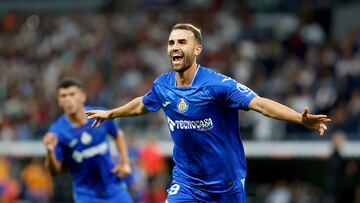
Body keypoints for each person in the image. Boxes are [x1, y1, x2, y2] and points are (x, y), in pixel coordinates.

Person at [85, 23, 331, 203]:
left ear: (197, 49)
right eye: (171, 42)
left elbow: (260, 104)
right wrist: (112, 113)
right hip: (186, 182)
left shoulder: (217, 85)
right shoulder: (163, 84)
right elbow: (142, 104)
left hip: (225, 185)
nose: (175, 47)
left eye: (182, 42)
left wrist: (299, 118)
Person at [43, 78, 133, 203]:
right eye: (63, 96)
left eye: (72, 94)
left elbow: (118, 134)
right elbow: (54, 171)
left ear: (82, 97)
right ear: (59, 101)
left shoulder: (100, 115)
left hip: (114, 188)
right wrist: (49, 151)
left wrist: (125, 162)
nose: (68, 99)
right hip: (86, 195)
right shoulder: (57, 131)